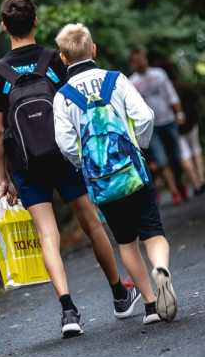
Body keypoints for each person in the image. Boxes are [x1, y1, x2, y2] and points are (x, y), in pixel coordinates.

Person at [0, 0, 137, 338]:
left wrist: (3, 178)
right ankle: (119, 294)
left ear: (5, 26)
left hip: (25, 163)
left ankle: (68, 311)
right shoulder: (55, 60)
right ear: (36, 21)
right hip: (64, 156)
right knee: (92, 224)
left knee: (47, 235)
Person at [53, 23, 178, 325]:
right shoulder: (116, 80)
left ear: (63, 58)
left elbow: (66, 145)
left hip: (103, 183)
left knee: (126, 241)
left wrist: (87, 165)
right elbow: (145, 116)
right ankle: (160, 268)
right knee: (153, 231)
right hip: (134, 172)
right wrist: (140, 147)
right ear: (93, 50)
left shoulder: (62, 96)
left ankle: (149, 305)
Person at [128, 46, 187, 205]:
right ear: (132, 64)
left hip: (168, 121)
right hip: (151, 128)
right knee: (161, 161)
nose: (140, 62)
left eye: (142, 58)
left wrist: (179, 114)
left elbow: (171, 95)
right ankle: (174, 192)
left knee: (177, 158)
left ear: (146, 58)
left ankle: (180, 184)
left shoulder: (159, 74)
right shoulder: (131, 83)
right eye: (136, 60)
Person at [155, 59, 205, 195]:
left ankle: (196, 184)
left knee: (185, 155)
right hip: (190, 121)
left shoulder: (162, 89)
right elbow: (196, 96)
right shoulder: (181, 85)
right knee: (196, 150)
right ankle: (201, 179)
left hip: (175, 125)